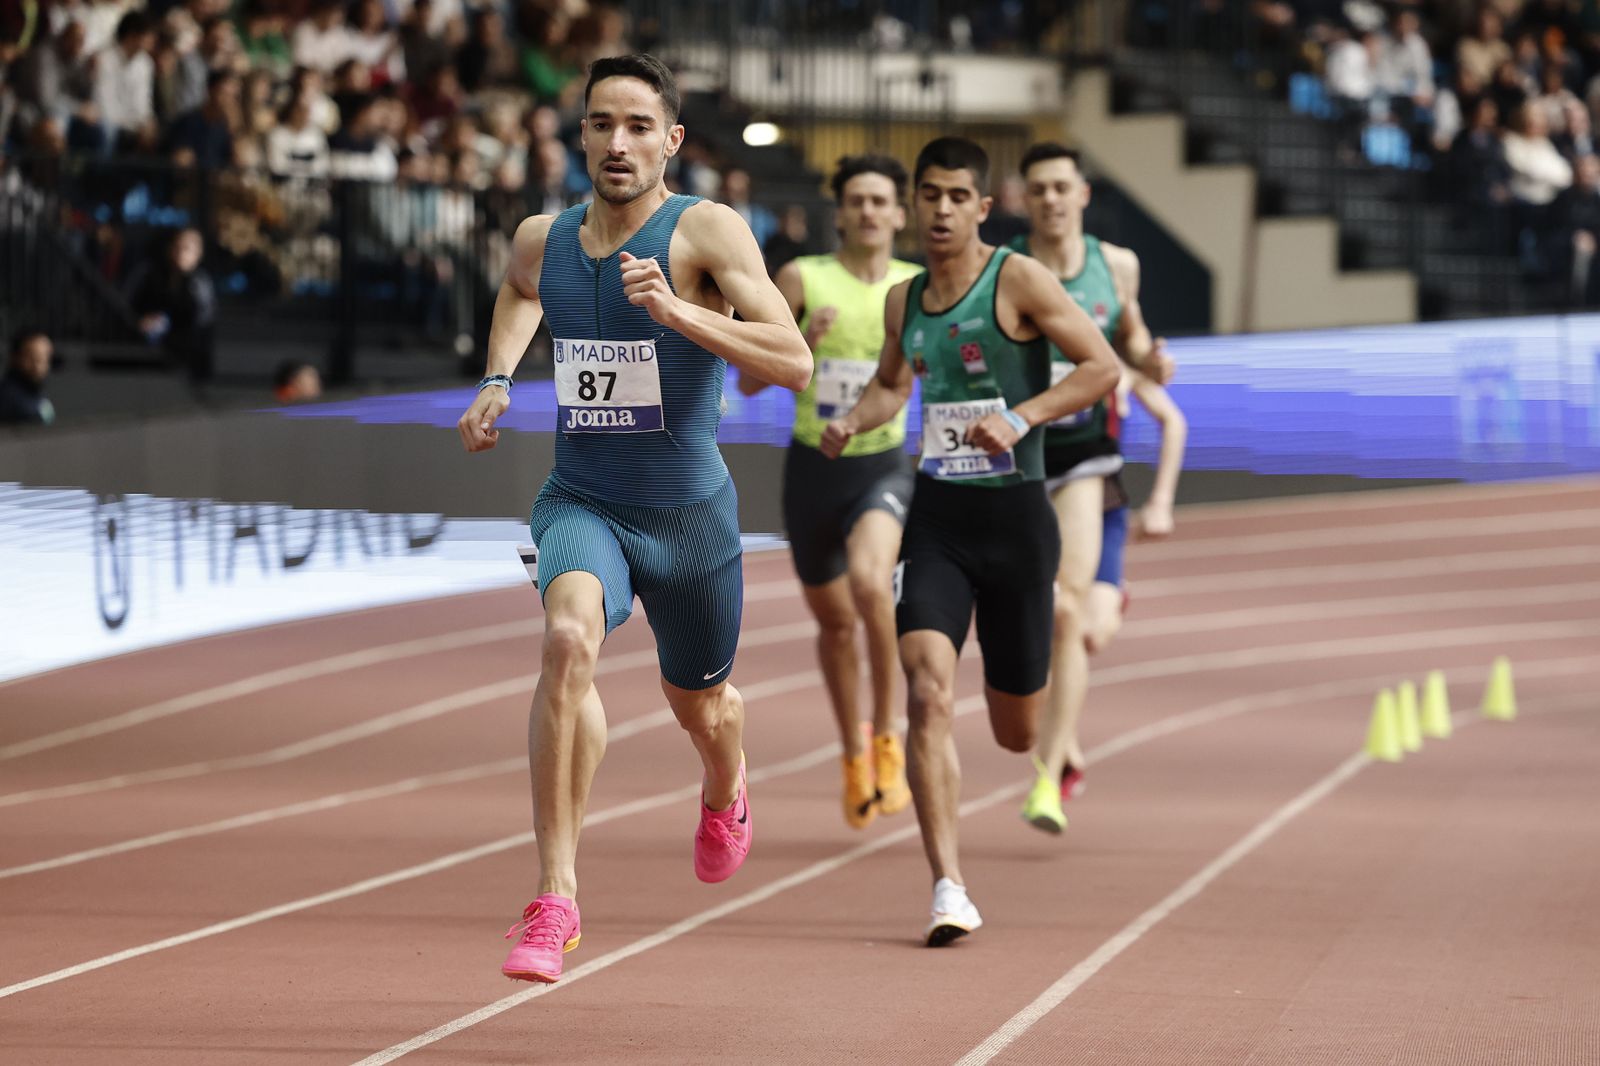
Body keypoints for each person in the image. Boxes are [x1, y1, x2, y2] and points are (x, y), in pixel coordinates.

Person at [455, 53, 811, 983]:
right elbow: (519, 289)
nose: (619, 143)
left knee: (702, 706)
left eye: (639, 126)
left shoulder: (707, 231)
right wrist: (498, 379)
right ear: (579, 135)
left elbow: (793, 359)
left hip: (690, 517)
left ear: (672, 140)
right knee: (569, 640)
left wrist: (682, 314)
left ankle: (726, 788)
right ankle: (554, 896)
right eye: (602, 124)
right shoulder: (546, 237)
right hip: (584, 499)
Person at [820, 136, 1120, 945]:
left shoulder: (1018, 280)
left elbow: (1101, 367)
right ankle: (948, 884)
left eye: (959, 197)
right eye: (932, 196)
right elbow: (891, 386)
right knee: (925, 692)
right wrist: (853, 420)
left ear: (984, 207)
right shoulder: (905, 301)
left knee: (1016, 731)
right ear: (916, 204)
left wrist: (1021, 417)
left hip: (1018, 523)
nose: (942, 210)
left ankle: (1047, 737)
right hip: (941, 519)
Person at [739, 155, 922, 829]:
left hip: (883, 462)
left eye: (881, 200)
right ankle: (852, 753)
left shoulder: (916, 284)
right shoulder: (802, 278)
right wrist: (800, 346)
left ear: (899, 214)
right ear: (839, 212)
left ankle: (888, 737)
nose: (869, 211)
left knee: (874, 586)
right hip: (814, 470)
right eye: (857, 200)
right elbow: (750, 381)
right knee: (836, 623)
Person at [1004, 143, 1174, 834]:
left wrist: (1149, 359)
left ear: (1082, 194)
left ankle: (1046, 777)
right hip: (1017, 455)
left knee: (1068, 614)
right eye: (1037, 187)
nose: (1049, 199)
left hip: (1085, 456)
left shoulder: (1118, 265)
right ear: (1024, 198)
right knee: (1046, 618)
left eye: (1060, 187)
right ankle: (1062, 745)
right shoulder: (1006, 266)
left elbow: (1132, 340)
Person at [0, 329, 56, 426]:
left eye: (44, 358)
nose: (38, 367)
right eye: (32, 358)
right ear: (15, 357)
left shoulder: (35, 392)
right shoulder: (8, 399)